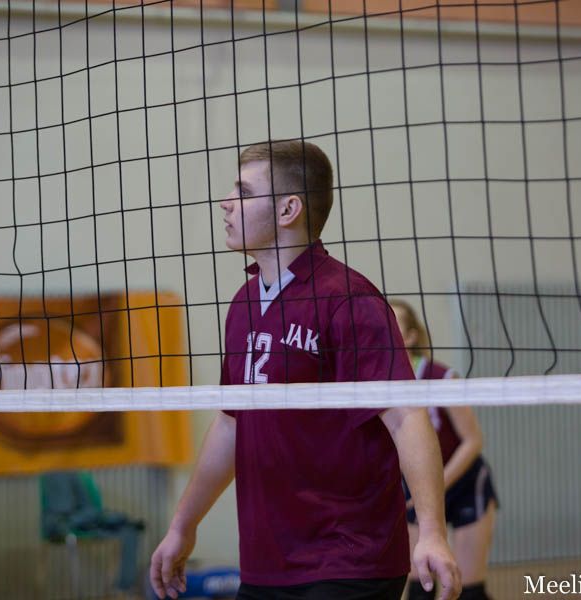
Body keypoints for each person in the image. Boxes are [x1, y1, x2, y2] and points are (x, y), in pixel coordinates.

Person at [150, 140, 460, 600]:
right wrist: (182, 524)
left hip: (349, 560)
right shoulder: (243, 304)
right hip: (265, 564)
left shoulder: (348, 298)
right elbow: (231, 423)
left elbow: (405, 415)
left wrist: (432, 531)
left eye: (244, 192)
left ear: (288, 209)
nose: (226, 203)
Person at [389, 301, 498, 600]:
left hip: (463, 482)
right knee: (420, 588)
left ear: (410, 336)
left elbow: (473, 441)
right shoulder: (380, 382)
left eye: (393, 322)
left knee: (469, 592)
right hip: (417, 487)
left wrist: (435, 484)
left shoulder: (441, 377)